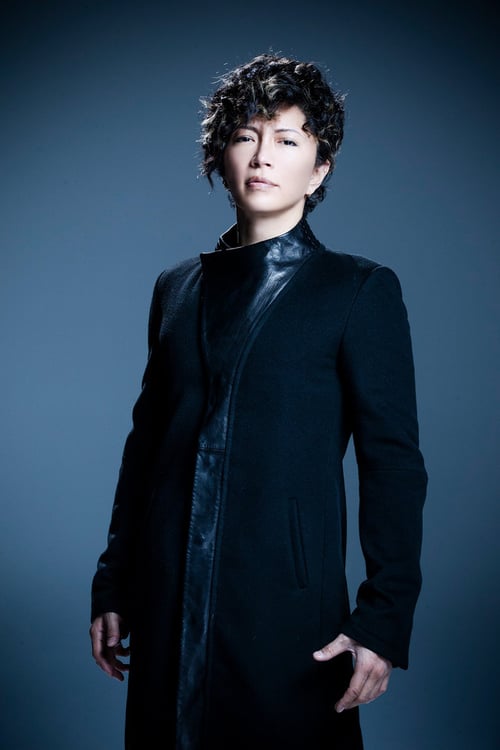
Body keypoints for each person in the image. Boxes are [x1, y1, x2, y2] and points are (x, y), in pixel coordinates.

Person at [90, 53, 427, 749]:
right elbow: (146, 447)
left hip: (287, 606)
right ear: (222, 156)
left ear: (320, 168)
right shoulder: (176, 288)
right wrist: (114, 582)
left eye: (287, 139)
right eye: (246, 136)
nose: (263, 155)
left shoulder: (357, 289)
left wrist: (384, 617)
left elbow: (393, 463)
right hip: (168, 593)